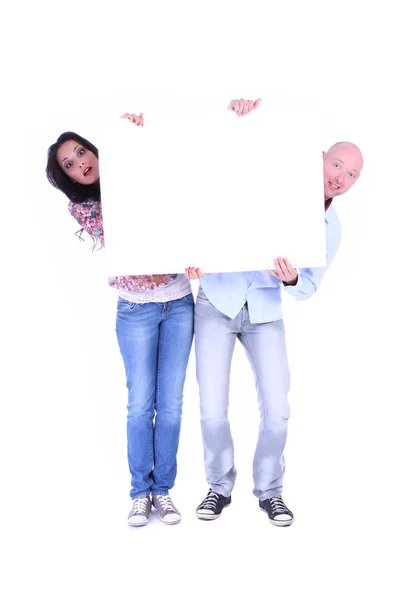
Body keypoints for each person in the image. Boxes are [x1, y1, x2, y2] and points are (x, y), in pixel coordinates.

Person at [45, 99, 256, 527]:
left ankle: (164, 492)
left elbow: (179, 206)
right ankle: (140, 491)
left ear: (95, 149)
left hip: (178, 301)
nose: (79, 163)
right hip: (136, 310)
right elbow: (137, 241)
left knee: (172, 405)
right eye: (69, 164)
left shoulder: (139, 169)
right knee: (141, 405)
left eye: (81, 152)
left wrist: (135, 143)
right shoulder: (85, 206)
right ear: (66, 177)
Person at [186, 114, 363, 527]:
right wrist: (240, 116)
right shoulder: (275, 173)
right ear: (320, 159)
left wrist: (293, 277)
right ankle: (218, 487)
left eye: (352, 174)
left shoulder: (330, 227)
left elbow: (308, 286)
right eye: (337, 165)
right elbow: (234, 159)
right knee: (212, 408)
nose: (341, 177)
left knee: (278, 408)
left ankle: (270, 491)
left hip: (265, 310)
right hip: (217, 299)